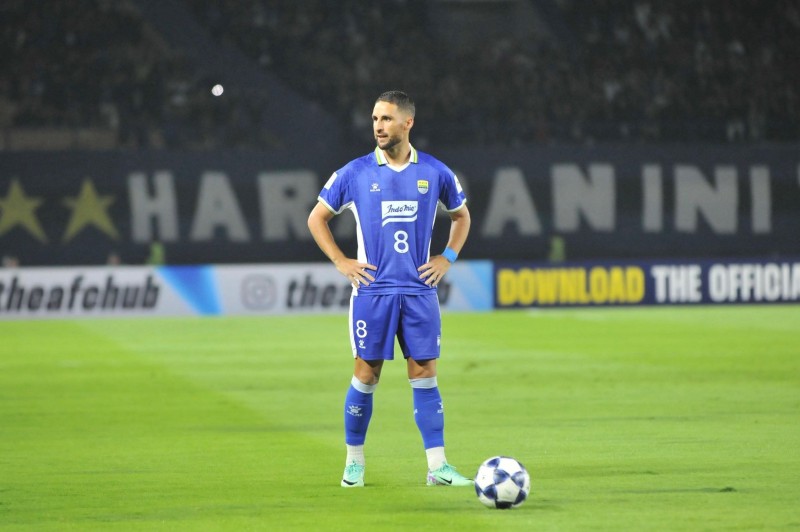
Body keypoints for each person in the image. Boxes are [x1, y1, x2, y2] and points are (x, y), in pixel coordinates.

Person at [307, 90, 472, 488]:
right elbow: (316, 218)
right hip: (373, 291)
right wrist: (342, 261)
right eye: (375, 119)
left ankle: (437, 467)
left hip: (419, 291)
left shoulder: (434, 172)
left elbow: (462, 216)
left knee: (425, 373)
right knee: (366, 374)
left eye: (386, 119)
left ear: (407, 122)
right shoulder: (355, 173)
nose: (378, 127)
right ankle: (354, 463)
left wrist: (447, 257)